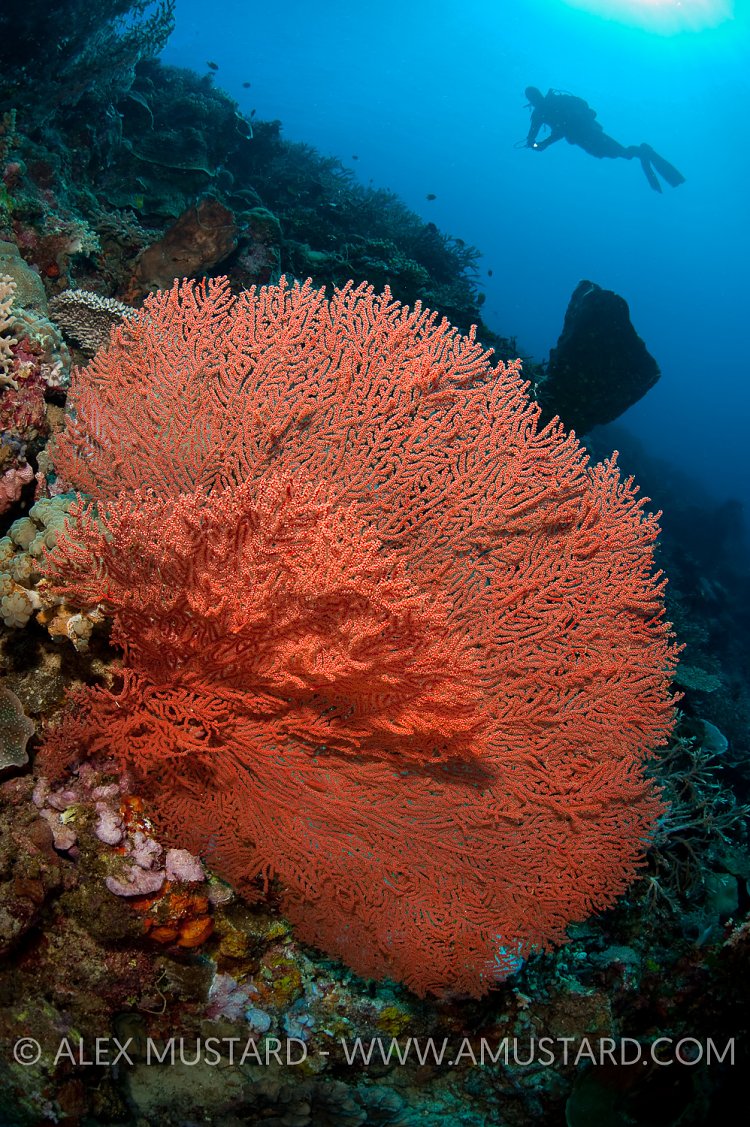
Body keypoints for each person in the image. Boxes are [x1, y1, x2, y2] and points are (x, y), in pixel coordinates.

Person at [523, 86, 685, 192]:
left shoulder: (546, 109)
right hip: (588, 135)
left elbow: (557, 131)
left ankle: (644, 151)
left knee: (621, 153)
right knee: (621, 153)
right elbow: (535, 135)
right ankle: (644, 152)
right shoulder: (547, 108)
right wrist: (538, 142)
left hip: (587, 134)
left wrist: (542, 143)